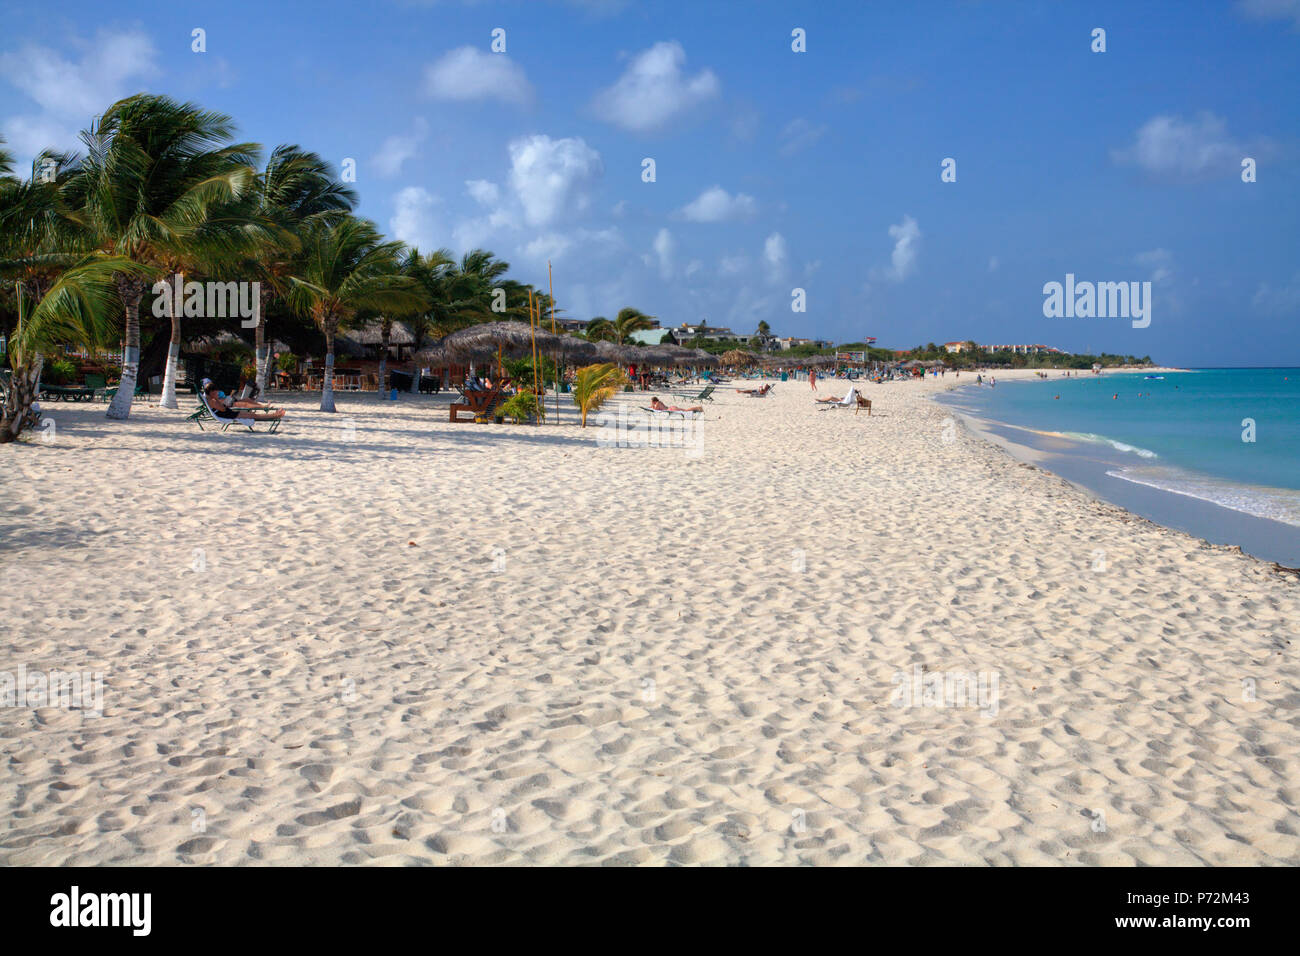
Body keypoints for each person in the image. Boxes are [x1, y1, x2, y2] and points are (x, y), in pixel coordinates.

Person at [204, 383, 284, 422]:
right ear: (211, 392)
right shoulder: (213, 401)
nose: (217, 394)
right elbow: (223, 409)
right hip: (230, 415)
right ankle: (275, 415)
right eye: (215, 393)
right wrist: (218, 399)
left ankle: (274, 415)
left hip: (230, 413)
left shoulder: (211, 398)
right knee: (254, 415)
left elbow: (223, 408)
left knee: (253, 415)